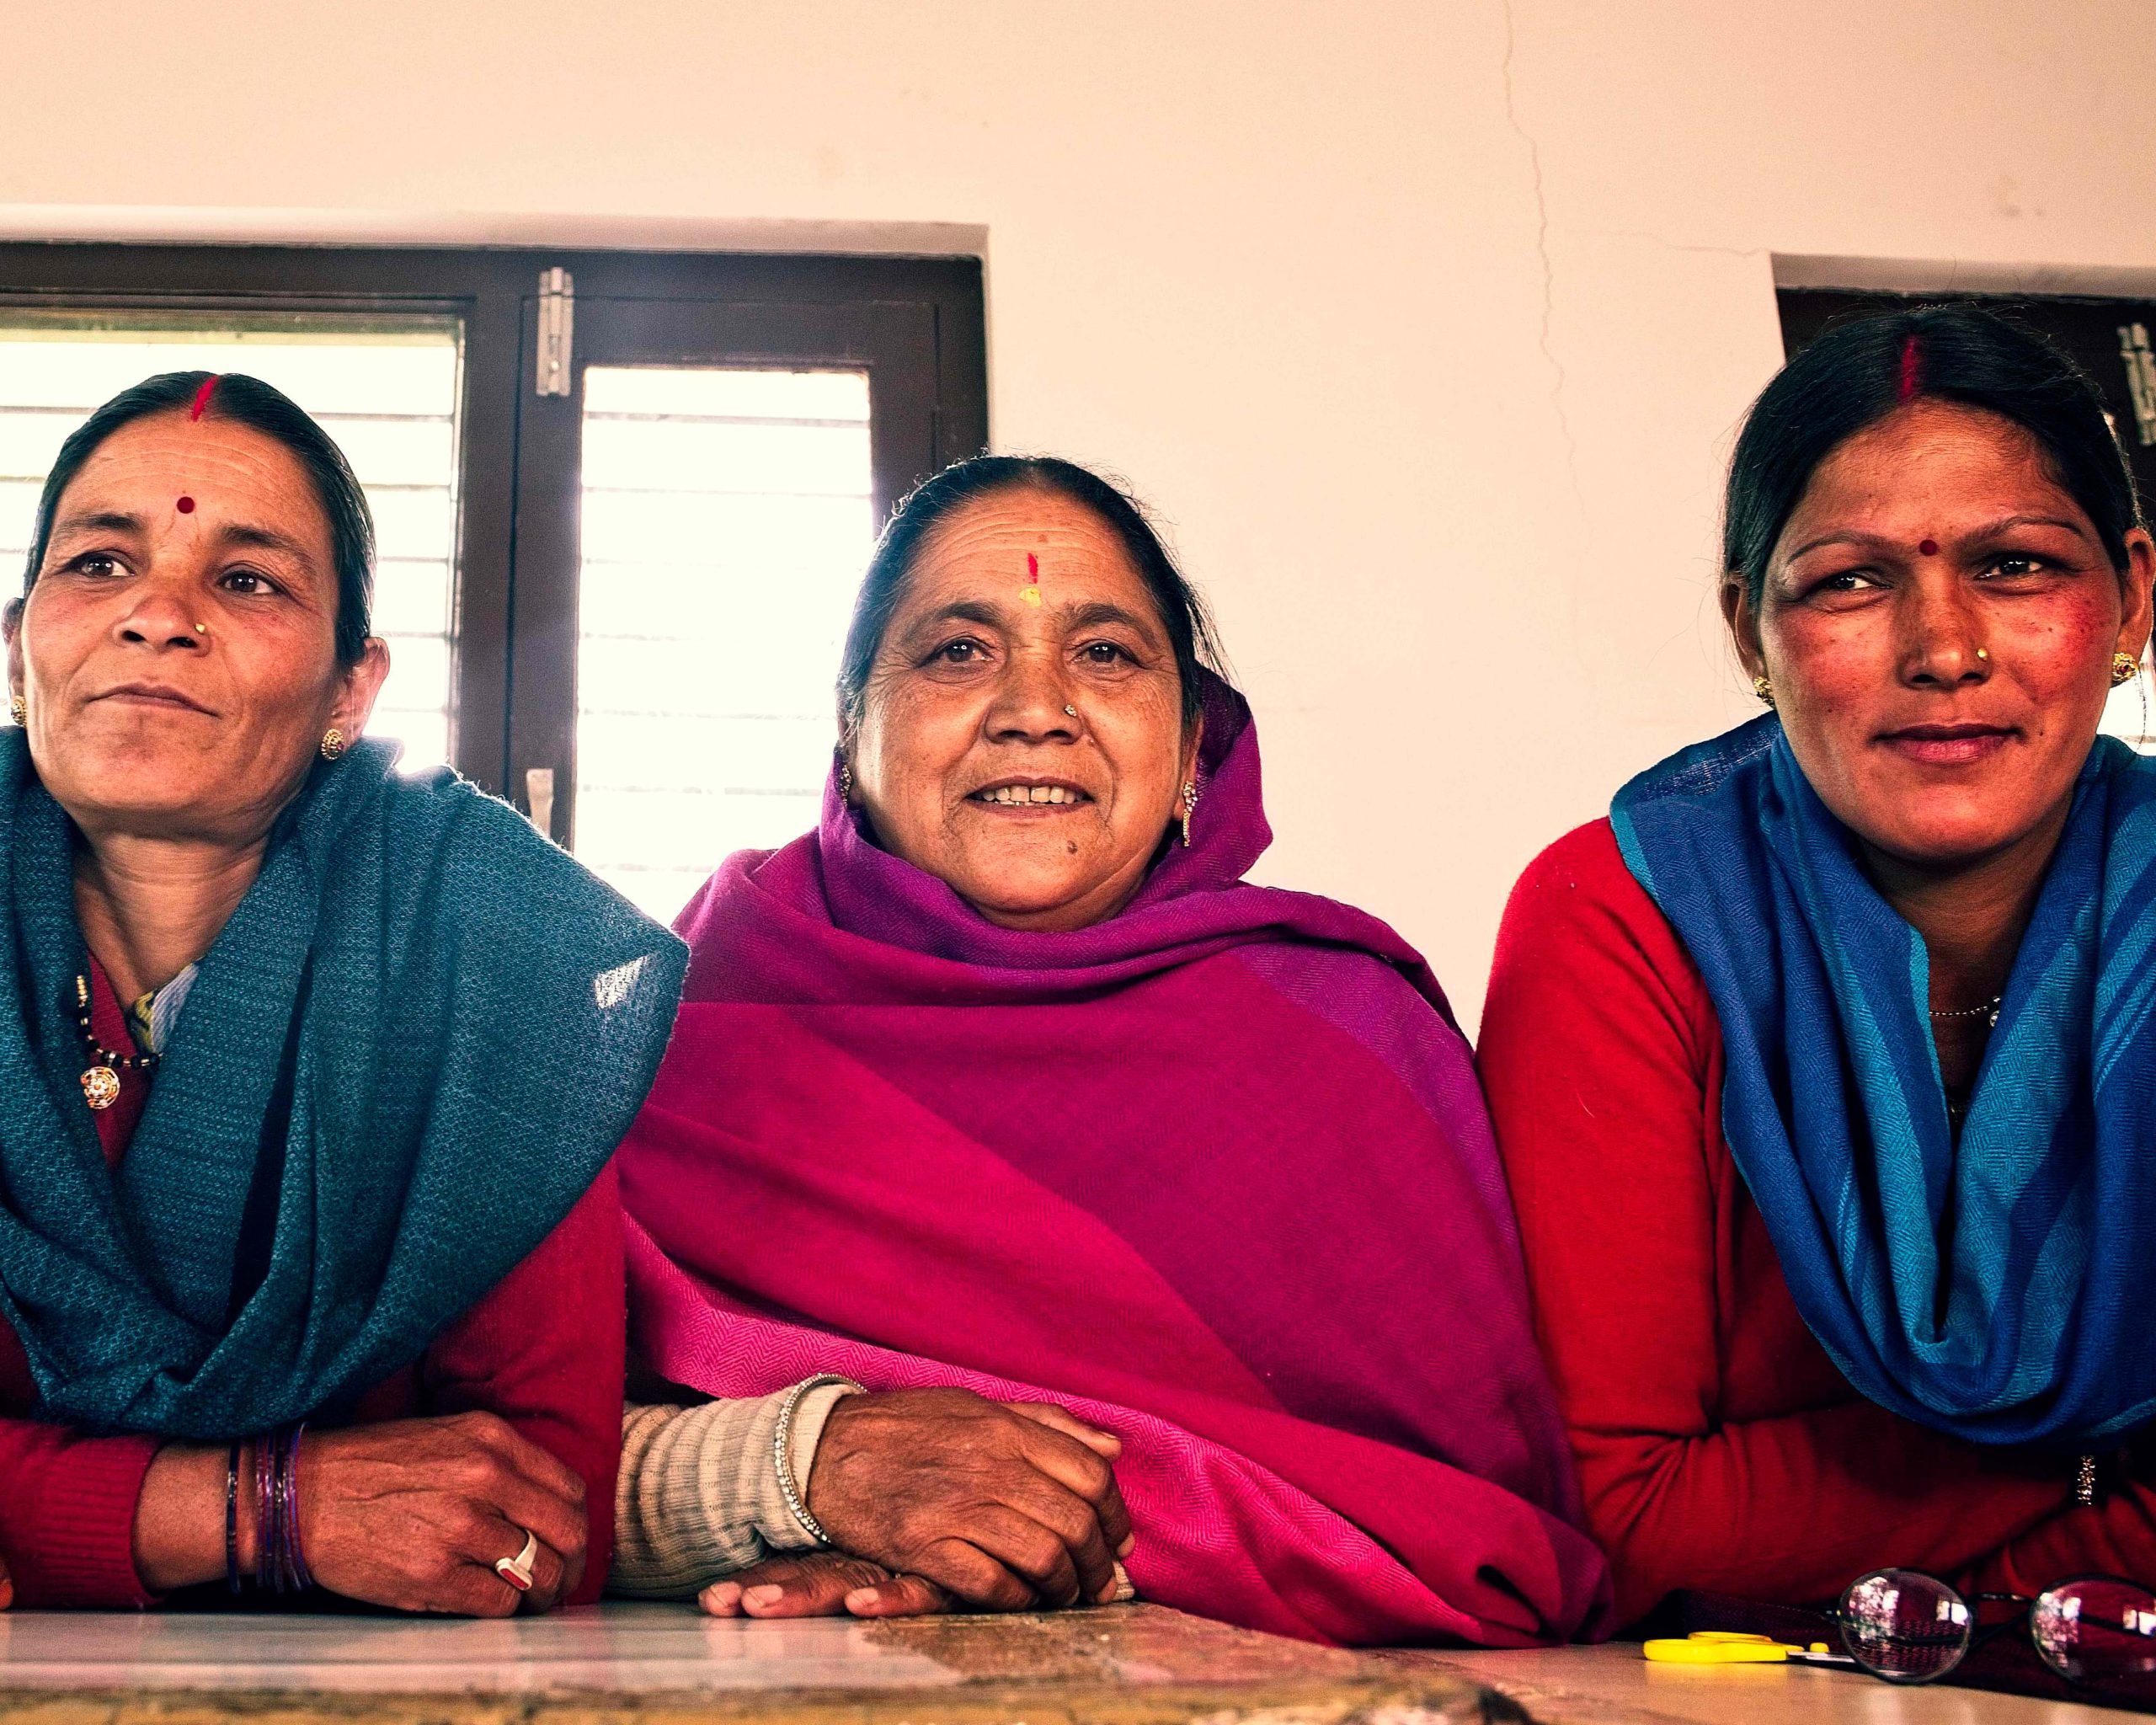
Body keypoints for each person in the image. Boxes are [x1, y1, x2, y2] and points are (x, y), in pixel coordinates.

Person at [607, 455, 1610, 1648]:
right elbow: (495, 1446)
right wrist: (798, 1469)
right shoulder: (688, 1018)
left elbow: (1485, 1531)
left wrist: (1061, 1537)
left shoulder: (1342, 1038)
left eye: (1106, 655)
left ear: (1192, 744)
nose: (1037, 708)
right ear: (849, 725)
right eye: (957, 652)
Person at [1480, 304, 2156, 1631]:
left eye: (2017, 566)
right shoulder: (1624, 915)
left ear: (2133, 592)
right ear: (1750, 634)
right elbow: (1621, 1510)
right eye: (1850, 580)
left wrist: (1892, 1565)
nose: (1945, 649)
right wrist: (2096, 1490)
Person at [0, 371, 685, 1613]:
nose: (157, 615)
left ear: (351, 690)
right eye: (100, 564)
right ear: (17, 645)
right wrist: (259, 1508)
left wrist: (42, 1508)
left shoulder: (489, 956)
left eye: (248, 579)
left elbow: (534, 1513)